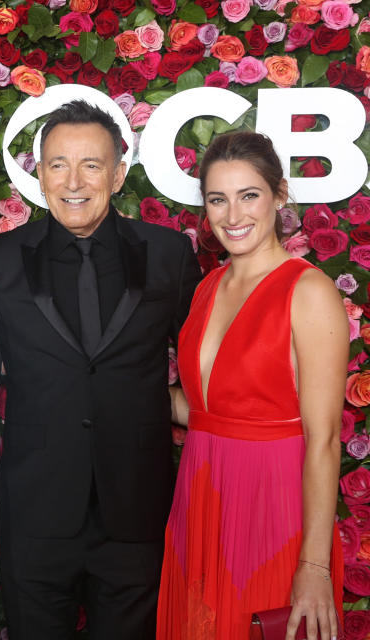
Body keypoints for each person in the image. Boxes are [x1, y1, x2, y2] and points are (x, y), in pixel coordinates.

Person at [0, 99, 202, 639]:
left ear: (119, 174)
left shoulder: (169, 254)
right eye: (58, 164)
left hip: (136, 509)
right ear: (40, 175)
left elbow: (207, 359)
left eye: (92, 164)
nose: (73, 180)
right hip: (35, 510)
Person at [156, 131, 345, 640]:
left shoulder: (308, 291)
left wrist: (316, 566)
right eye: (218, 199)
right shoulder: (209, 285)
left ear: (279, 196)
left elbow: (325, 439)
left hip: (273, 503)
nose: (233, 215)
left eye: (249, 195)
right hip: (202, 495)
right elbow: (201, 408)